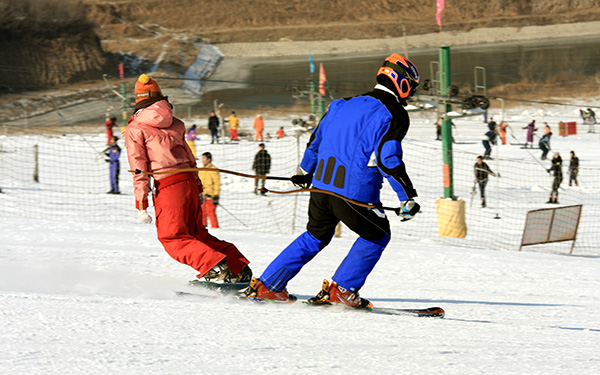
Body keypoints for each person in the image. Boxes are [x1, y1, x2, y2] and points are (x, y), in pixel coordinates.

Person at [244, 53, 421, 306]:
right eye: (411, 88)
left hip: (321, 188)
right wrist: (407, 197)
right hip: (354, 193)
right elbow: (387, 159)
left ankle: (268, 285)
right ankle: (343, 288)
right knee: (377, 235)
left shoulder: (340, 104)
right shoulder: (394, 112)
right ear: (401, 82)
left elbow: (315, 141)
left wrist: (305, 170)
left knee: (315, 235)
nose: (411, 94)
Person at [125, 74, 252, 283]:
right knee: (196, 233)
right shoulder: (175, 123)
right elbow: (189, 156)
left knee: (172, 237)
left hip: (168, 186)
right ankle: (236, 267)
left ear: (138, 100)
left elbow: (139, 168)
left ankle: (214, 268)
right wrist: (199, 187)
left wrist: (141, 203)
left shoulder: (136, 128)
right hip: (189, 182)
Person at [197, 152, 220, 228]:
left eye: (204, 158)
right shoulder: (201, 170)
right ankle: (202, 228)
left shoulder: (213, 170)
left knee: (211, 213)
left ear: (209, 159)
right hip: (202, 196)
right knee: (202, 214)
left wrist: (216, 195)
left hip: (211, 196)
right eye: (202, 158)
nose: (202, 160)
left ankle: (216, 228)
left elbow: (217, 183)